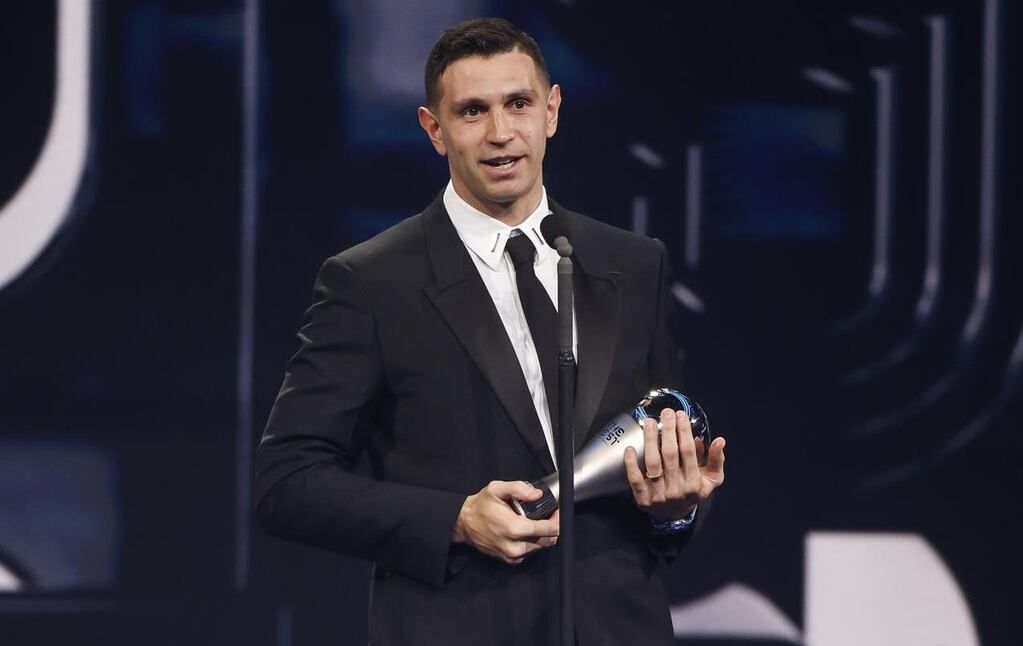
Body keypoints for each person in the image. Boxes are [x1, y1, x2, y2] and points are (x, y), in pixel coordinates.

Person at [254, 17, 726, 646]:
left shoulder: (634, 265)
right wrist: (454, 518)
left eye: (518, 104)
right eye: (472, 111)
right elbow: (286, 483)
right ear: (434, 129)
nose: (501, 132)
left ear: (552, 111)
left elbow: (655, 459)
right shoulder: (371, 282)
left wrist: (676, 510)